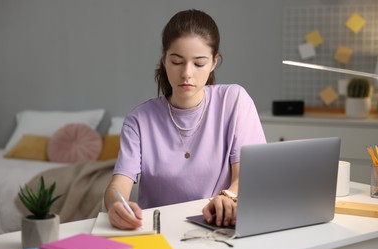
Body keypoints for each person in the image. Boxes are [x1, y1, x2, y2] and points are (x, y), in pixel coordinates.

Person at [104, 9, 266, 230]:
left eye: (199, 63)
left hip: (216, 228)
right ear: (164, 59)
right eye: (177, 61)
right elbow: (117, 186)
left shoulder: (234, 100)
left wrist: (227, 197)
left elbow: (250, 175)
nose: (187, 73)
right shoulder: (139, 119)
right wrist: (115, 205)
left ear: (213, 62)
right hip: (159, 232)